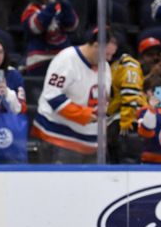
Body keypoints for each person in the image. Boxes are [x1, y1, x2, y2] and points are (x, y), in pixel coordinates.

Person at [32, 28, 116, 164]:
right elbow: (52, 96)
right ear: (96, 46)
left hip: (92, 144)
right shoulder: (66, 60)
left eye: (111, 55)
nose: (109, 59)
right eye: (106, 54)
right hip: (60, 138)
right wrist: (84, 115)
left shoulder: (105, 67)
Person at [21, 0, 79, 76]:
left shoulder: (59, 7)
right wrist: (51, 6)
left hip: (62, 57)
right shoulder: (30, 10)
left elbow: (73, 25)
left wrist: (64, 0)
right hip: (40, 59)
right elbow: (36, 27)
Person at [106, 37, 147, 163]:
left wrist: (126, 122)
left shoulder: (128, 63)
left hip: (128, 121)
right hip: (114, 119)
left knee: (127, 161)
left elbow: (130, 92)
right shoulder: (111, 64)